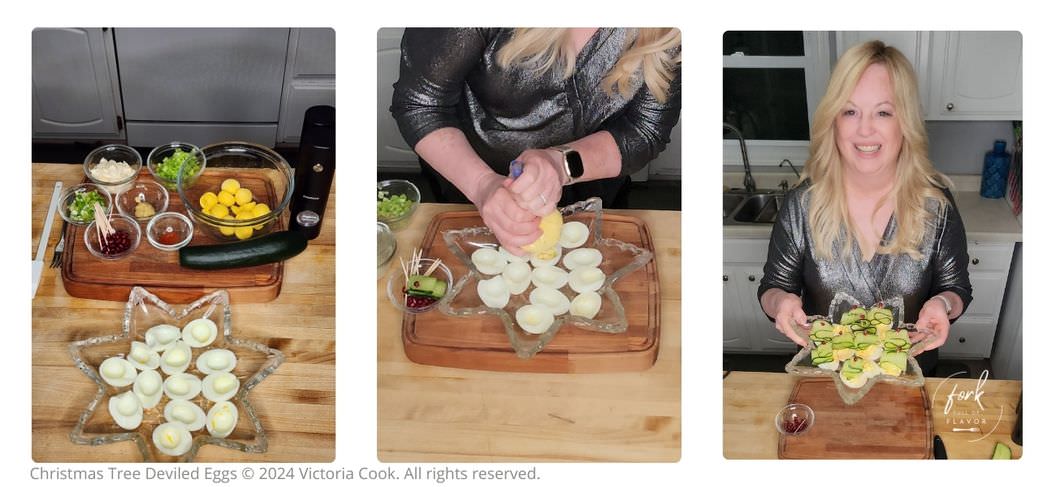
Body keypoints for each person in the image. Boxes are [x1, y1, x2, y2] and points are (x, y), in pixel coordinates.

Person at [757, 41, 972, 375]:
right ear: (834, 120)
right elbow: (773, 287)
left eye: (883, 112)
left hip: (910, 380)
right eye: (850, 111)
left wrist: (942, 305)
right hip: (823, 383)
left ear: (905, 122)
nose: (865, 129)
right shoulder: (802, 204)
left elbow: (956, 289)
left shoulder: (936, 205)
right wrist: (780, 303)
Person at [391, 28, 681, 254]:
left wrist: (560, 165)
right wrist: (482, 186)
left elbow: (645, 131)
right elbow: (422, 105)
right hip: (470, 179)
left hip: (594, 185)